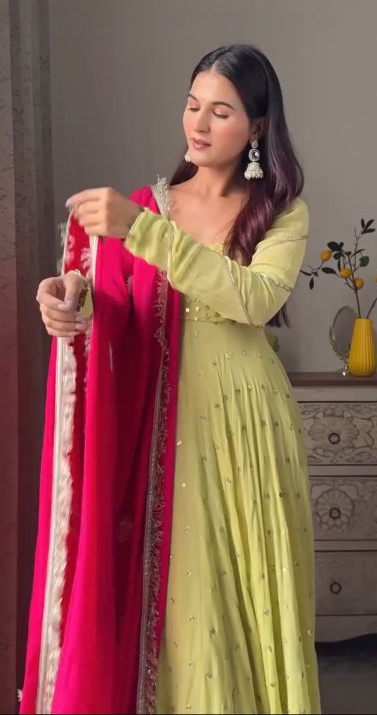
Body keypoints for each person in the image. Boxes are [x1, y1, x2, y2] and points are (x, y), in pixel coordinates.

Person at [21, 44, 320, 715]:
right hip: (162, 421)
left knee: (247, 593)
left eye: (221, 111)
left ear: (258, 127)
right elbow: (114, 299)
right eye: (192, 105)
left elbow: (255, 298)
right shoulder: (147, 205)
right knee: (184, 596)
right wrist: (70, 297)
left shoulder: (279, 210)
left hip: (246, 424)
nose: (199, 124)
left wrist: (144, 233)